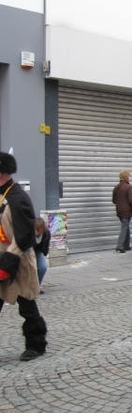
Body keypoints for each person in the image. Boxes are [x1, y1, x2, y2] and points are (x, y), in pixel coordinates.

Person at [0, 151, 48, 361]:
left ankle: (36, 345)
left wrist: (6, 263)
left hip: (18, 261)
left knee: (27, 306)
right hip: (2, 257)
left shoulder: (18, 198)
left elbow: (24, 238)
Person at [112, 170, 132, 253]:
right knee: (124, 227)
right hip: (126, 211)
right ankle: (119, 246)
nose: (129, 178)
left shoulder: (116, 187)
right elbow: (131, 200)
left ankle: (126, 245)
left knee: (126, 226)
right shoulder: (128, 187)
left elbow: (114, 200)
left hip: (119, 211)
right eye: (129, 176)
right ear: (126, 177)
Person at [34, 217, 50, 290]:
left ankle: (37, 286)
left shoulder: (46, 233)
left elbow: (46, 245)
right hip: (29, 251)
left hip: (39, 251)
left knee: (43, 267)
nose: (36, 232)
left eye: (38, 230)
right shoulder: (29, 232)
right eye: (35, 229)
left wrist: (45, 254)